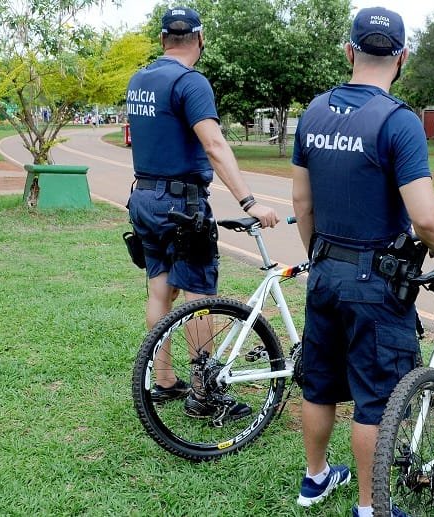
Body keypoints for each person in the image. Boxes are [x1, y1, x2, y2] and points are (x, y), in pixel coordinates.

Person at [290, 7, 434, 516]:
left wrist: (319, 257)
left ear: (349, 51)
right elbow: (425, 218)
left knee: (318, 381)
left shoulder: (314, 112)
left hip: (324, 267)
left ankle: (315, 479)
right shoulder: (399, 121)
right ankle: (369, 507)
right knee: (376, 398)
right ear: (402, 57)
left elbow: (302, 203)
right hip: (377, 281)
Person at [125, 6, 279, 416]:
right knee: (199, 295)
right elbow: (214, 145)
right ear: (200, 38)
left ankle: (163, 379)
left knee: (159, 287)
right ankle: (204, 393)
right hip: (181, 204)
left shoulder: (139, 79)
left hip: (143, 197)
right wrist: (249, 200)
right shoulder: (190, 82)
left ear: (162, 40)